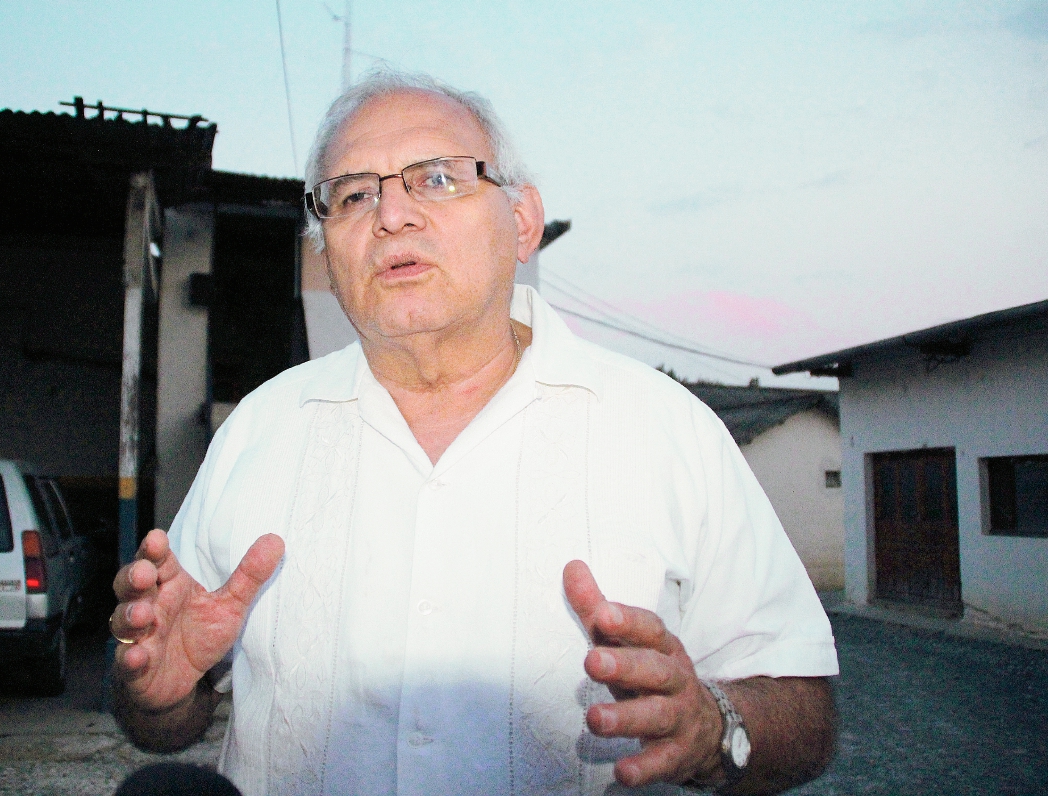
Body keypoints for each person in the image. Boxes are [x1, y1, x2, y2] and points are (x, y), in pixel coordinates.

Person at [109, 70, 839, 796]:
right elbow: (161, 717)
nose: (391, 215)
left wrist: (713, 726)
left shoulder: (667, 430)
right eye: (355, 194)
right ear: (326, 250)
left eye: (436, 178)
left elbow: (806, 712)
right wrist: (160, 693)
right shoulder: (257, 434)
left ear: (522, 223)